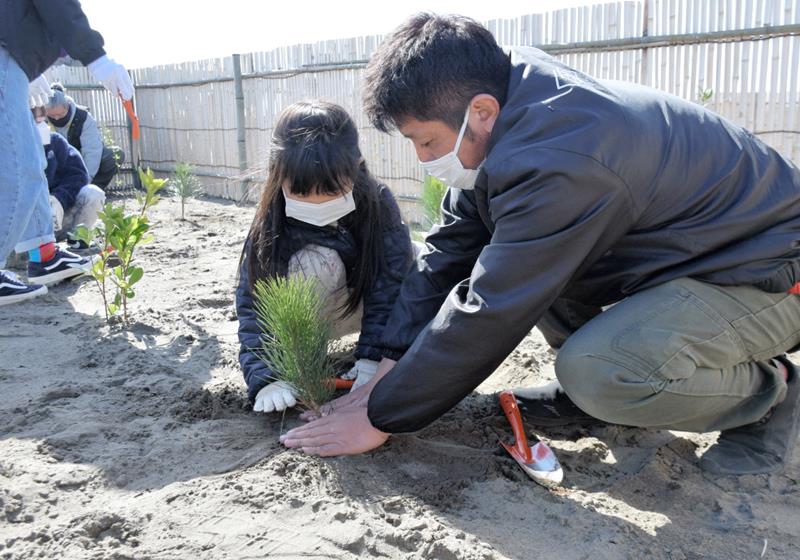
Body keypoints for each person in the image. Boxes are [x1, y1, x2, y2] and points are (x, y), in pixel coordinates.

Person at [281, 13, 800, 476]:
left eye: (428, 142)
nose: (422, 160)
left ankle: (769, 392)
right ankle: (602, 400)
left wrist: (380, 416)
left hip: (767, 273)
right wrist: (385, 368)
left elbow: (493, 306)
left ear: (480, 111)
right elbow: (447, 256)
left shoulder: (559, 159)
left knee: (597, 370)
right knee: (545, 271)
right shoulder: (511, 111)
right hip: (694, 254)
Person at [236, 100, 414, 413]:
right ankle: (307, 358)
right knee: (317, 260)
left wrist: (373, 358)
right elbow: (255, 302)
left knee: (415, 256)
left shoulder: (378, 203)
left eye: (331, 191)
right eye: (302, 193)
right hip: (306, 320)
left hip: (359, 306)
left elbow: (390, 284)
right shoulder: (271, 220)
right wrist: (266, 377)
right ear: (278, 174)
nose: (317, 202)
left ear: (356, 165)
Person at [0, 0, 134, 305]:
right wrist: (95, 56)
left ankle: (44, 255)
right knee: (18, 170)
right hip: (6, 52)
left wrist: (28, 68)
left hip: (13, 54)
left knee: (32, 161)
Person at [31, 107, 106, 249]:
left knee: (93, 193)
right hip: (27, 229)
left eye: (41, 120)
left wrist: (58, 199)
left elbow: (79, 176)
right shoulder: (9, 151)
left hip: (62, 217)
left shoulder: (56, 142)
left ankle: (78, 238)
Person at [46, 83, 126, 191]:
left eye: (60, 115)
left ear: (68, 106)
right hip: (56, 165)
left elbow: (92, 151)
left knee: (115, 155)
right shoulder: (41, 119)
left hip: (81, 162)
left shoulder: (83, 117)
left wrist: (83, 182)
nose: (56, 119)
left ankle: (92, 190)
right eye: (51, 116)